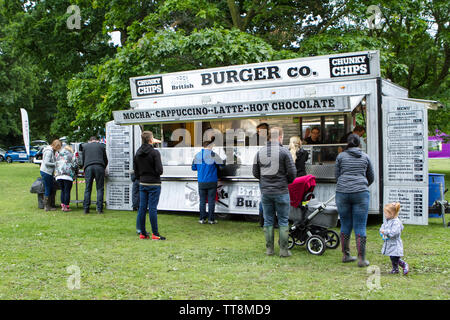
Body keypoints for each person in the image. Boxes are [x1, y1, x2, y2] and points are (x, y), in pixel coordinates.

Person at [253, 127, 296, 257]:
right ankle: (283, 250)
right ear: (280, 137)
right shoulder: (285, 152)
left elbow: (255, 173)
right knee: (283, 220)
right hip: (282, 191)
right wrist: (286, 181)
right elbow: (292, 172)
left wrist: (265, 180)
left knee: (268, 220)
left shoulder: (259, 152)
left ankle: (269, 249)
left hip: (266, 192)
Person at [335, 134, 374, 267]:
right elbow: (371, 177)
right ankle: (362, 259)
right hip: (361, 193)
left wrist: (345, 185)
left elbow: (337, 175)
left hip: (342, 193)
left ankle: (346, 255)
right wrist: (361, 186)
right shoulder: (365, 156)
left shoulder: (341, 156)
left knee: (345, 224)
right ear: (359, 144)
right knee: (360, 225)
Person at [134, 131, 166, 240]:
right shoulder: (154, 153)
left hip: (142, 182)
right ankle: (155, 233)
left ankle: (143, 233)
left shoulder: (138, 152)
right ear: (151, 140)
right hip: (154, 183)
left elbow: (136, 170)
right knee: (152, 208)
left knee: (142, 208)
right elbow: (159, 170)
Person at [192, 140, 224, 224]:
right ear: (210, 146)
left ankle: (202, 219)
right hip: (212, 181)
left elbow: (193, 168)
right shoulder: (213, 154)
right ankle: (211, 219)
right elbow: (222, 165)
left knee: (202, 201)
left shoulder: (197, 155)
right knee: (211, 201)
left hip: (201, 181)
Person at [81, 136, 108, 214]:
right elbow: (105, 159)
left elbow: (83, 159)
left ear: (90, 140)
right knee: (100, 188)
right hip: (99, 166)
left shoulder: (85, 146)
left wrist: (84, 167)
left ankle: (86, 208)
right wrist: (103, 167)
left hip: (88, 167)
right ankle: (99, 209)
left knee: (88, 188)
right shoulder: (101, 146)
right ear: (97, 140)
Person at [380, 202, 409, 275]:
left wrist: (385, 232)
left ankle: (404, 264)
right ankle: (395, 269)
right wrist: (381, 231)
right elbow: (382, 227)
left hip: (395, 243)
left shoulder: (396, 222)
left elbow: (394, 233)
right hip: (389, 242)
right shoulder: (387, 220)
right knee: (392, 257)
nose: (385, 215)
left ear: (392, 214)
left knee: (395, 257)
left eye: (386, 213)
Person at [40, 139, 62, 211]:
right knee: (48, 188)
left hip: (47, 172)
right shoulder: (49, 152)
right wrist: (56, 164)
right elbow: (46, 163)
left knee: (50, 187)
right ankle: (47, 206)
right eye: (58, 147)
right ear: (55, 146)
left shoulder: (51, 150)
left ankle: (49, 204)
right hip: (46, 172)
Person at [55, 145, 77, 212]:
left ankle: (62, 206)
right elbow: (75, 165)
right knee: (67, 191)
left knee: (62, 190)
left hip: (59, 175)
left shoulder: (59, 155)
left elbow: (56, 164)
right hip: (67, 175)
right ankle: (66, 206)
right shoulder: (71, 155)